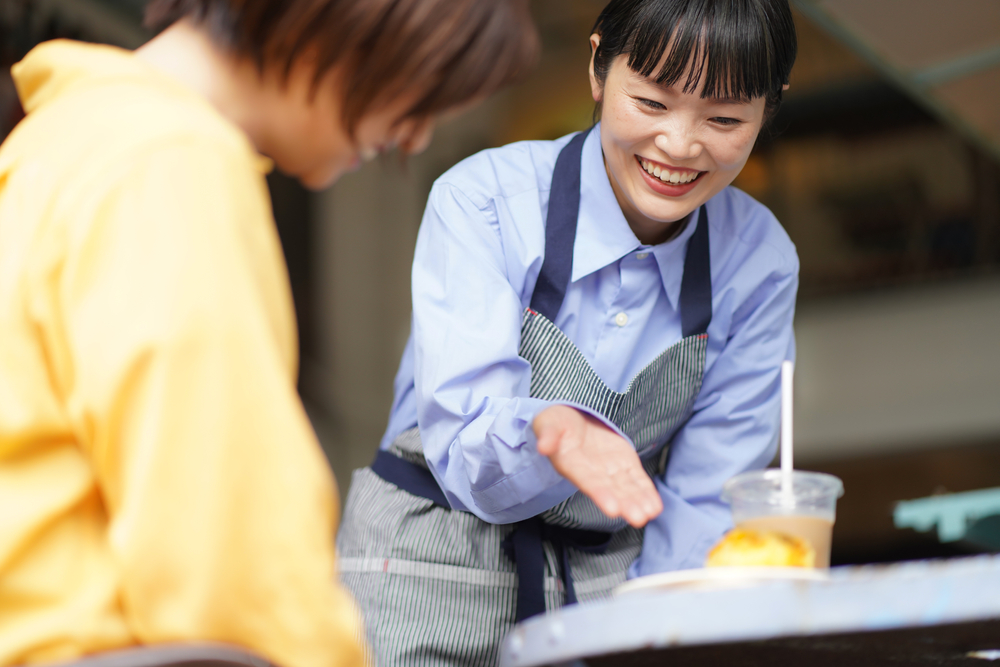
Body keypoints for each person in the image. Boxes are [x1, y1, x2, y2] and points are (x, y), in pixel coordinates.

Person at [0, 1, 538, 667]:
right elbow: (224, 553)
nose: (417, 135)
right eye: (420, 88)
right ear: (345, 23)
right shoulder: (168, 163)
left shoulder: (59, 141)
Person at [336, 0, 800, 664]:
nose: (679, 144)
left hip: (607, 584)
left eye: (724, 118)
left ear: (769, 107)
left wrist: (653, 632)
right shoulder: (484, 201)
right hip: (428, 559)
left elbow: (707, 499)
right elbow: (469, 447)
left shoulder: (758, 262)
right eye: (650, 102)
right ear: (597, 69)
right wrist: (551, 432)